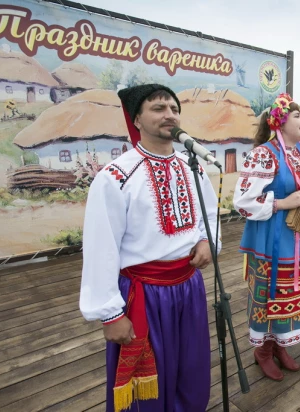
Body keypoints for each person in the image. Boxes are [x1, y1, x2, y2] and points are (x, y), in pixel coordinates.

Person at [80, 84, 220, 412]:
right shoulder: (117, 176)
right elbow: (101, 247)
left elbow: (209, 213)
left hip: (189, 288)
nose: (169, 114)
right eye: (158, 108)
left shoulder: (191, 167)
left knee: (191, 370)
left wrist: (206, 241)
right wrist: (110, 314)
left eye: (174, 108)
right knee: (148, 392)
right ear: (137, 120)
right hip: (144, 295)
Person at [233, 93, 300, 381]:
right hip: (271, 240)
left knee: (292, 292)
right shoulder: (265, 154)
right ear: (280, 122)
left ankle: (280, 344)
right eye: (297, 115)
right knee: (269, 295)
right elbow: (242, 201)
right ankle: (262, 351)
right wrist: (281, 203)